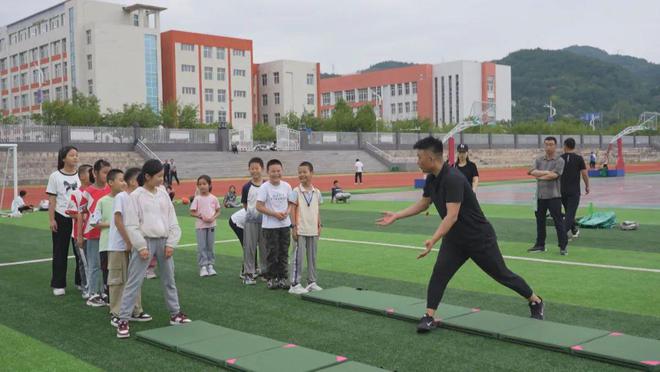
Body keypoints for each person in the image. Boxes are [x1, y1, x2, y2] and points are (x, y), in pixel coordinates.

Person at [376, 136, 544, 333]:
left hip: (478, 238)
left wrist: (434, 239)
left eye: (419, 157)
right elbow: (424, 204)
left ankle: (535, 300)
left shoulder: (454, 178)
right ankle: (429, 316)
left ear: (431, 158)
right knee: (439, 273)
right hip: (455, 239)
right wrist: (397, 215)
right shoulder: (432, 178)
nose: (417, 161)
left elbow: (452, 216)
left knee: (502, 274)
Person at [116, 159, 190, 339]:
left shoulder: (163, 193)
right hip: (145, 242)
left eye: (162, 176)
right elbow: (131, 224)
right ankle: (123, 319)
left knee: (169, 279)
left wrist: (172, 242)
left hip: (164, 241)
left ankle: (175, 314)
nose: (161, 180)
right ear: (147, 176)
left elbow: (172, 219)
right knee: (134, 281)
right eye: (158, 176)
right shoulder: (136, 196)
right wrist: (140, 246)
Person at [108, 167, 151, 327]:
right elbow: (118, 220)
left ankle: (135, 310)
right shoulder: (122, 196)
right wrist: (128, 241)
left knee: (134, 278)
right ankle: (117, 313)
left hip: (134, 244)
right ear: (133, 181)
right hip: (119, 245)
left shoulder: (138, 198)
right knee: (118, 279)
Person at [47, 146, 81, 296]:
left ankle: (81, 282)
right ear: (63, 158)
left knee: (80, 252)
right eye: (72, 155)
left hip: (78, 218)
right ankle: (58, 284)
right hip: (61, 216)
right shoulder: (55, 176)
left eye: (76, 155)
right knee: (60, 251)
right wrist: (52, 219)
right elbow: (52, 199)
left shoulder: (81, 176)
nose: (75, 157)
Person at [256, 159, 293, 290]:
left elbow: (291, 202)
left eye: (278, 171)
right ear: (268, 172)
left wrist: (287, 212)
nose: (276, 173)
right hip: (270, 226)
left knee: (283, 252)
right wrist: (274, 214)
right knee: (272, 253)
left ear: (282, 171)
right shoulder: (264, 187)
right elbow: (259, 206)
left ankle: (283, 277)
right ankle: (271, 278)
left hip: (284, 225)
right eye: (273, 171)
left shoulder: (287, 186)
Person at [528, 137, 568, 255]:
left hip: (554, 196)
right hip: (540, 196)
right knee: (540, 221)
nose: (548, 147)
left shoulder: (559, 160)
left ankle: (563, 246)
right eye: (546, 145)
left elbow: (555, 175)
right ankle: (540, 245)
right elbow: (531, 171)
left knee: (558, 222)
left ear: (555, 146)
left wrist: (539, 176)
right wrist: (546, 173)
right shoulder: (539, 159)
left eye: (551, 144)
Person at [288, 161, 323, 295]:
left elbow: (317, 210)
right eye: (299, 172)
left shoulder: (317, 192)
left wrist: (320, 225)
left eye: (304, 172)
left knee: (313, 257)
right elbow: (292, 210)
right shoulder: (295, 192)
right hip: (300, 229)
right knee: (298, 257)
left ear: (311, 173)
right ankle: (294, 284)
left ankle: (311, 282)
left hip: (313, 229)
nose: (301, 174)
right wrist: (294, 227)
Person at [81, 159, 112, 307]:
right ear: (95, 173)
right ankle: (93, 294)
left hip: (107, 233)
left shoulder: (111, 190)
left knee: (106, 265)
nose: (107, 175)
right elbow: (81, 213)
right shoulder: (88, 192)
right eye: (105, 172)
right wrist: (80, 235)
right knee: (94, 265)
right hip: (92, 233)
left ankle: (104, 291)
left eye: (108, 172)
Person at [67, 164, 94, 298]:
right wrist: (83, 215)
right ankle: (86, 288)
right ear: (82, 176)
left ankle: (97, 288)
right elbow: (71, 212)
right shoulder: (76, 194)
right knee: (84, 262)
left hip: (94, 233)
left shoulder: (96, 191)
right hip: (80, 234)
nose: (94, 174)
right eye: (91, 172)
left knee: (95, 262)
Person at [241, 157, 266, 285]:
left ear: (262, 169)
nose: (254, 171)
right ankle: (249, 274)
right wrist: (252, 214)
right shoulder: (246, 187)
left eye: (257, 168)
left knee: (264, 247)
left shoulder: (267, 185)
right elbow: (245, 204)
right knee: (249, 247)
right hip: (250, 221)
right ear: (249, 170)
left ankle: (264, 272)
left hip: (266, 222)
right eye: (252, 168)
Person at [190, 175, 221, 277]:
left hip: (211, 225)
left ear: (209, 185)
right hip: (201, 226)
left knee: (210, 246)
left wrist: (213, 217)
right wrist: (200, 216)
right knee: (202, 246)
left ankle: (210, 265)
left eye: (204, 184)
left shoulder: (214, 198)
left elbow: (218, 211)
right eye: (200, 184)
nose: (202, 186)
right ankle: (203, 266)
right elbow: (192, 212)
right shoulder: (197, 198)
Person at [561, 138, 590, 242]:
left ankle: (574, 230)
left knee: (569, 212)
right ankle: (562, 234)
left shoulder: (560, 158)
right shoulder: (579, 158)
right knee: (570, 213)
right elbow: (584, 173)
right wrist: (587, 186)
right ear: (574, 146)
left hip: (562, 190)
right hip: (574, 191)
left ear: (565, 146)